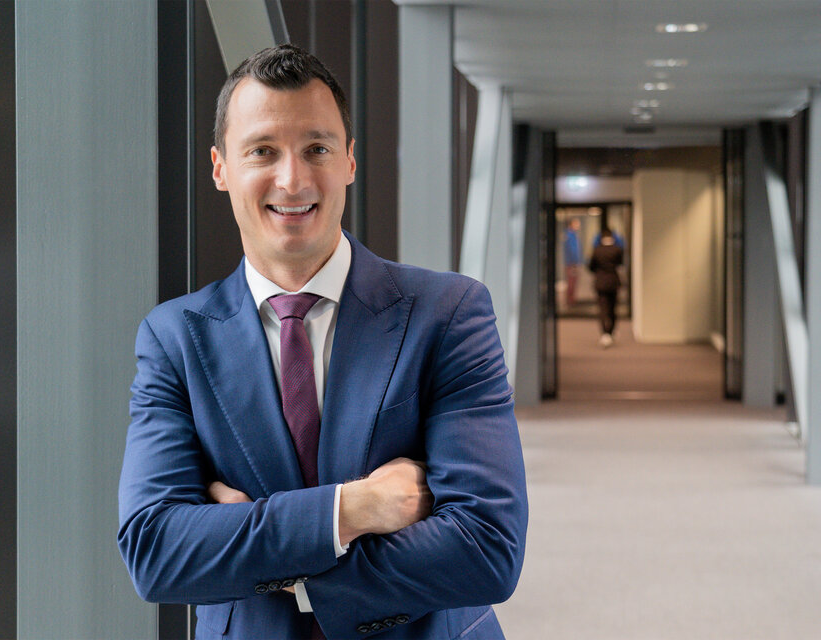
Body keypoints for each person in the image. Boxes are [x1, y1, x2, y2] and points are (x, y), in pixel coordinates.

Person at [117, 44, 527, 640]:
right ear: (220, 168)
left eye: (317, 149)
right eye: (262, 151)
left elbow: (487, 548)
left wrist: (273, 559)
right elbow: (155, 553)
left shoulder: (448, 313)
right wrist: (353, 510)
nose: (293, 179)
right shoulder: (175, 338)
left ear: (349, 161)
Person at [589, 227, 624, 348]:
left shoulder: (597, 250)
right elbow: (620, 263)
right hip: (613, 281)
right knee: (613, 307)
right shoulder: (617, 250)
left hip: (601, 282)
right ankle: (611, 331)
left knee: (603, 308)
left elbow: (591, 266)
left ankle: (605, 333)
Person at [562, 217, 581, 307]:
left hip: (573, 263)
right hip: (571, 263)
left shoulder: (573, 235)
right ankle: (570, 301)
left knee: (573, 282)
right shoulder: (569, 235)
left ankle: (571, 300)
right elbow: (571, 250)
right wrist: (573, 262)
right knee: (571, 282)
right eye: (576, 224)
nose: (578, 226)